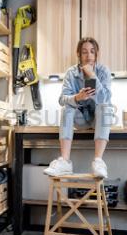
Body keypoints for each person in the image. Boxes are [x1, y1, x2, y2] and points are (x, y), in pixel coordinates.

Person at [44, 37, 113, 178]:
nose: (89, 56)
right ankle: (65, 162)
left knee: (105, 107)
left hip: (97, 120)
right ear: (79, 55)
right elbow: (62, 99)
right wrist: (77, 98)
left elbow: (104, 98)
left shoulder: (103, 71)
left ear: (96, 54)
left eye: (92, 52)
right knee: (67, 107)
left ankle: (98, 162)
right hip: (79, 119)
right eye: (85, 52)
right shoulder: (71, 73)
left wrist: (92, 76)